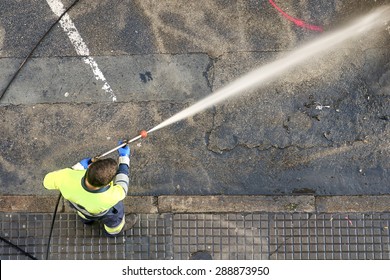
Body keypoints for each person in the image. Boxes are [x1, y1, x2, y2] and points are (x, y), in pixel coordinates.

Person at [43, 142, 137, 237]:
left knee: (84, 213)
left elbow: (46, 182)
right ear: (108, 183)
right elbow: (123, 179)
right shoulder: (112, 196)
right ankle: (113, 232)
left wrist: (78, 166)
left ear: (89, 168)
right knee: (115, 222)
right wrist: (124, 157)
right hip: (105, 213)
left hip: (80, 208)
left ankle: (87, 221)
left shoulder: (65, 176)